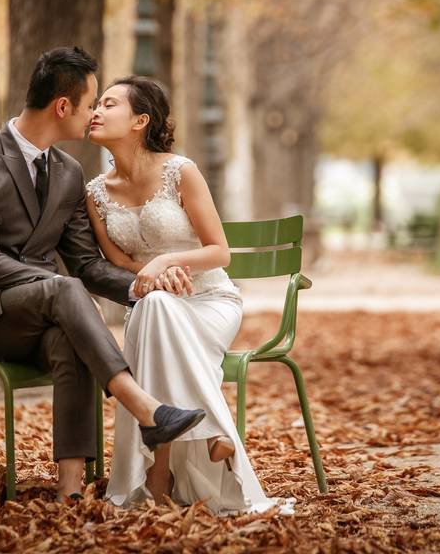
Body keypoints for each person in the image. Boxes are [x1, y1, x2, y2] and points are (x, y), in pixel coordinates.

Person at [0, 47, 206, 502]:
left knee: (72, 335)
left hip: (46, 313)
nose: (94, 114)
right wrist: (53, 286)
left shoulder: (68, 172)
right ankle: (144, 408)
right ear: (63, 107)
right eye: (91, 104)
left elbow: (86, 265)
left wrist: (146, 284)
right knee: (65, 293)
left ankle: (69, 494)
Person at [86, 76, 293, 514]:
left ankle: (159, 474)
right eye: (96, 104)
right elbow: (119, 263)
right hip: (154, 304)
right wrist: (153, 277)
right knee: (155, 307)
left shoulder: (181, 171)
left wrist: (165, 264)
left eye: (109, 103)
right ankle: (214, 433)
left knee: (154, 311)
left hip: (209, 302)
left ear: (140, 120)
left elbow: (220, 251)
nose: (96, 111)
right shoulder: (96, 193)